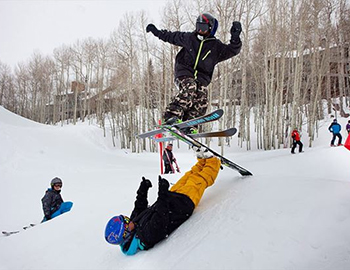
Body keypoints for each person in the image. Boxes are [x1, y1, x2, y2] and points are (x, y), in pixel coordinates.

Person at [105, 148, 221, 255]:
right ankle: (213, 162)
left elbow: (139, 208)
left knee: (188, 176)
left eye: (125, 218)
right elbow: (161, 216)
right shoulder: (147, 237)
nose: (128, 219)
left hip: (171, 197)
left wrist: (142, 190)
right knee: (199, 180)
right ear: (126, 233)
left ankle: (202, 161)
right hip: (183, 204)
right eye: (126, 221)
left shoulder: (133, 226)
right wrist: (162, 193)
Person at [146, 13, 242, 131]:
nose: (200, 31)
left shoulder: (216, 47)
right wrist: (156, 31)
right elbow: (170, 36)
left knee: (202, 96)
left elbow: (233, 50)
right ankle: (171, 116)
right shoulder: (189, 38)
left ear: (211, 29)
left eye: (204, 28)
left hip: (201, 79)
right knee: (190, 86)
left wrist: (235, 37)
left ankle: (189, 124)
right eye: (198, 27)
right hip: (184, 73)